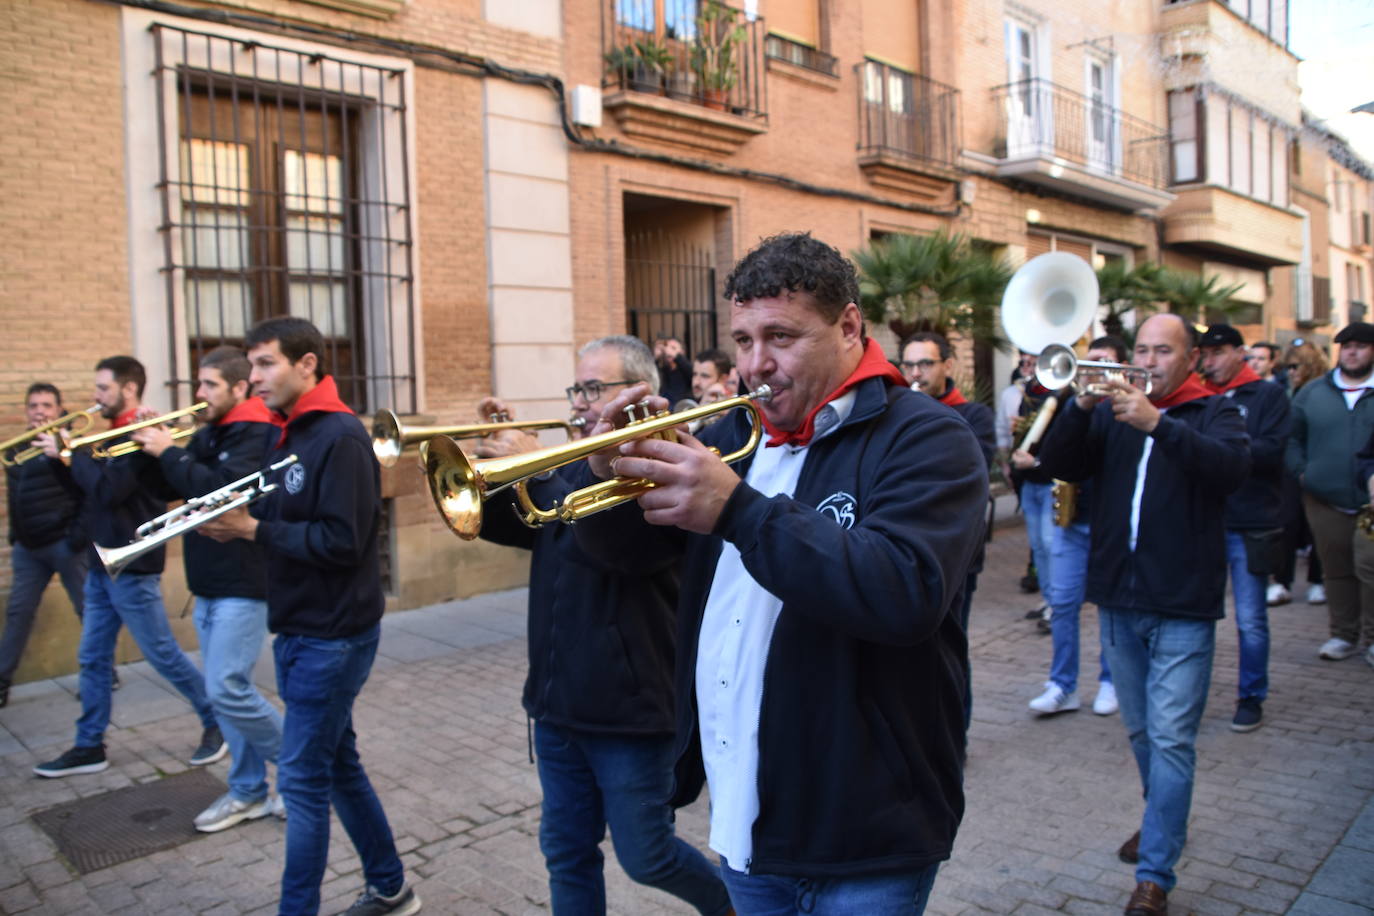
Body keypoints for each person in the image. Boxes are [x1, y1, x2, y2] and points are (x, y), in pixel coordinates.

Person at [577, 233, 988, 914]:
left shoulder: (927, 436)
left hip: (867, 830)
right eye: (742, 340)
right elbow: (630, 559)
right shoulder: (733, 440)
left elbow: (906, 591)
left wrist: (737, 510)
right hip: (744, 815)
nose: (755, 365)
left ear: (849, 326)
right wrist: (608, 471)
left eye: (780, 336)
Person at [470, 335, 731, 916]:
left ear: (637, 394)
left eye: (594, 388)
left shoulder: (666, 470)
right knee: (565, 852)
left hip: (630, 711)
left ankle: (731, 904)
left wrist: (538, 468)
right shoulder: (565, 471)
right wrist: (491, 470)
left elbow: (615, 549)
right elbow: (515, 527)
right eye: (577, 388)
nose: (580, 403)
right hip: (557, 704)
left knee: (648, 855)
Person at [199, 318, 419, 916]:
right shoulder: (287, 432)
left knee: (300, 782)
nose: (255, 376)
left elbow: (346, 542)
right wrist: (240, 519)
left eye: (266, 363)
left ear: (307, 365)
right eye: (252, 364)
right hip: (300, 627)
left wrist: (254, 528)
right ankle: (391, 887)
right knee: (338, 764)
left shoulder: (341, 437)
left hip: (333, 636)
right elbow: (286, 516)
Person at [1037, 313, 1249, 916]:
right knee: (1140, 732)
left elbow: (1231, 471)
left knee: (1172, 739)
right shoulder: (1111, 413)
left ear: (1190, 359)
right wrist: (1078, 410)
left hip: (1183, 603)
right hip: (1120, 599)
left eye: (1163, 352)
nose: (1148, 362)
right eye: (1143, 351)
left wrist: (1160, 426)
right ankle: (1163, 822)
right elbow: (1062, 464)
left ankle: (1155, 875)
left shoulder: (1215, 412)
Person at [32, 357, 224, 778]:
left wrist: (73, 453)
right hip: (102, 560)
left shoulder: (142, 433)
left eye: (103, 389)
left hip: (132, 561)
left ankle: (217, 721)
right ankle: (89, 745)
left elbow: (110, 488)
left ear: (129, 389)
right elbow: (89, 494)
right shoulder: (110, 435)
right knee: (93, 657)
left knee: (162, 655)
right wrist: (58, 460)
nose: (94, 398)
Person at [132, 346, 285, 832]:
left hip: (245, 580)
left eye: (210, 385)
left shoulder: (257, 431)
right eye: (198, 384)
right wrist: (148, 443)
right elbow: (164, 489)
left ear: (239, 387)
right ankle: (248, 792)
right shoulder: (209, 432)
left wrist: (169, 451)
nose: (199, 395)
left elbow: (217, 490)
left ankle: (305, 770)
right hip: (209, 582)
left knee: (227, 686)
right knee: (225, 694)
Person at [1027, 336, 1128, 717]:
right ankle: (1062, 685)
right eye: (1093, 361)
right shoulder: (1075, 405)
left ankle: (1110, 680)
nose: (1097, 368)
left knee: (1108, 607)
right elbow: (1055, 457)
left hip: (1110, 524)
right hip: (1073, 520)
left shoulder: (1126, 409)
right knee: (1063, 603)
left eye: (1106, 361)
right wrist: (1080, 406)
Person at [1197, 324, 1291, 732]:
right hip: (1202, 520)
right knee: (1195, 614)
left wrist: (1224, 447)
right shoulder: (1199, 395)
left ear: (1239, 353)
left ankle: (1251, 695)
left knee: (1251, 617)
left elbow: (1273, 452)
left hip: (1250, 520)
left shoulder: (1268, 394)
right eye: (1205, 353)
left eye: (1218, 352)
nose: (1209, 360)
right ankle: (1189, 697)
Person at [901, 330, 995, 726]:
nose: (916, 373)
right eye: (908, 365)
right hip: (906, 550)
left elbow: (968, 473)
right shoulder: (896, 410)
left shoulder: (973, 415)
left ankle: (957, 734)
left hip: (957, 557)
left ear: (947, 366)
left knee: (949, 649)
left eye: (925, 364)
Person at [1286, 321, 1374, 663]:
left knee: (1369, 566)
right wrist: (1302, 472)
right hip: (1324, 498)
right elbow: (1291, 437)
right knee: (1335, 567)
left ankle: (1371, 636)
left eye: (1361, 346)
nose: (1351, 352)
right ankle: (1342, 634)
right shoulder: (1313, 391)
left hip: (1369, 501)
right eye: (1346, 345)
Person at [0, 384, 90, 707]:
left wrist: (76, 537)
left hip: (65, 544)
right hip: (29, 548)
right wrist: (15, 537)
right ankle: (2, 681)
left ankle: (100, 673)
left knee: (87, 610)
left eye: (47, 406)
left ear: (58, 409)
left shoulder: (70, 445)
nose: (40, 411)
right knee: (18, 612)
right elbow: (14, 496)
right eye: (34, 405)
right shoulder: (16, 449)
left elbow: (87, 492)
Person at [1269, 339, 1330, 606]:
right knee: (1287, 523)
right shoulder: (1285, 390)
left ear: (1308, 365)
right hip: (1289, 468)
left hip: (1317, 467)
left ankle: (1318, 581)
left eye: (1294, 366)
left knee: (1317, 526)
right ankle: (1282, 581)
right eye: (1286, 367)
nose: (1290, 372)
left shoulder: (1323, 392)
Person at [654, 336, 694, 405]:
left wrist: (676, 356)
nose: (668, 351)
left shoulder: (685, 367)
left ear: (681, 351)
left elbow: (690, 372)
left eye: (673, 348)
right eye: (667, 348)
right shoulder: (664, 370)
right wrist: (657, 357)